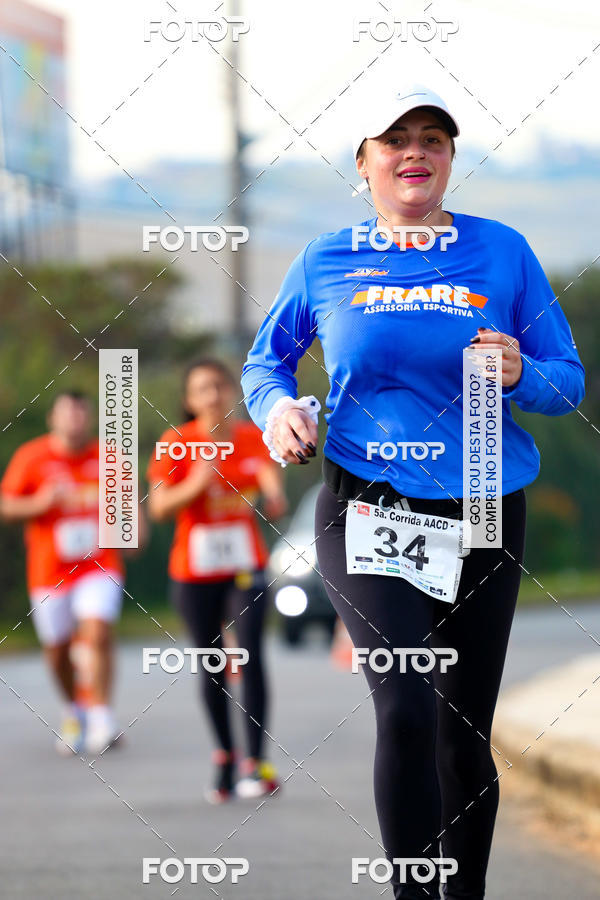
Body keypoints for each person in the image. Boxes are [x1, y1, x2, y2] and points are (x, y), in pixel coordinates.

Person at [241, 84, 585, 899]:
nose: (415, 152)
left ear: (451, 161)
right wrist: (279, 410)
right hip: (368, 504)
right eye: (394, 140)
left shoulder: (503, 252)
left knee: (462, 737)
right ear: (363, 165)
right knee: (405, 708)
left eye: (433, 138)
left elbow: (566, 382)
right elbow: (266, 363)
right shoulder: (327, 257)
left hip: (483, 510)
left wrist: (521, 372)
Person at [147, 358, 287, 803]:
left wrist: (274, 490)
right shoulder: (175, 442)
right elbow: (159, 507)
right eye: (203, 389)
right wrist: (195, 483)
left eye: (221, 386)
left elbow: (265, 468)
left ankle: (256, 761)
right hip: (195, 569)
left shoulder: (248, 436)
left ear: (233, 393)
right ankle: (225, 756)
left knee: (251, 653)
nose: (214, 395)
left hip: (245, 566)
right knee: (210, 662)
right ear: (189, 400)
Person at [0, 391, 126, 755]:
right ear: (52, 419)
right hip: (49, 570)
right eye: (68, 414)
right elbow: (7, 505)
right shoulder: (32, 457)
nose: (75, 421)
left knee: (98, 632)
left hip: (98, 564)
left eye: (81, 414)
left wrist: (134, 530)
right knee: (57, 649)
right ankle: (74, 711)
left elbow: (129, 506)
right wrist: (38, 504)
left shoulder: (109, 457)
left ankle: (102, 718)